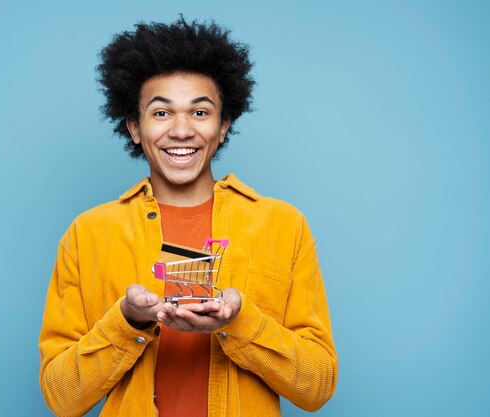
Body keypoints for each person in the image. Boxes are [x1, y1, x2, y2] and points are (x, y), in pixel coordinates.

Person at [39, 17, 337, 417]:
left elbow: (317, 388)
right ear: (134, 127)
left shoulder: (284, 226)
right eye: (161, 114)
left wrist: (241, 322)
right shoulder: (87, 234)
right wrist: (128, 321)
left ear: (224, 125)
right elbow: (61, 397)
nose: (181, 131)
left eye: (200, 112)